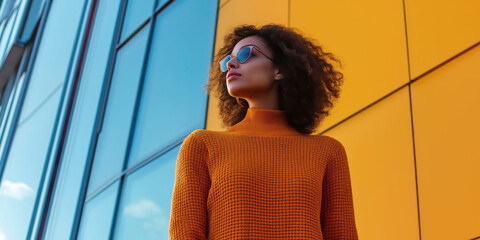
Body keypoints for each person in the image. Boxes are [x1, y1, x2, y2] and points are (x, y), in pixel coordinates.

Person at [169, 23, 358, 239]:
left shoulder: (327, 151)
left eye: (246, 54)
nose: (231, 64)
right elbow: (185, 234)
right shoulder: (202, 145)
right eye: (228, 59)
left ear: (280, 70)